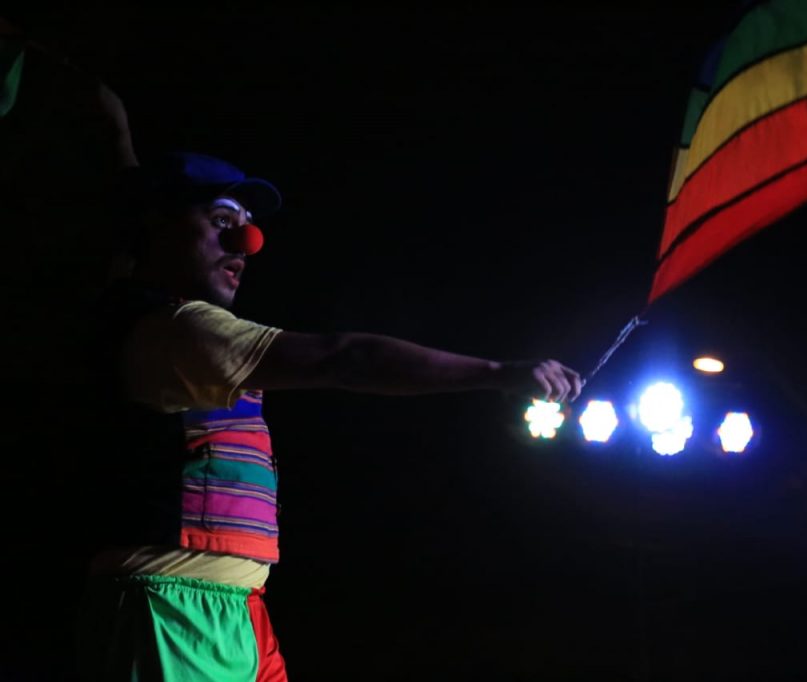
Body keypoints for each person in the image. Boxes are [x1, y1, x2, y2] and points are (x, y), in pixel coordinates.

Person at [76, 151, 582, 681]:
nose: (247, 243)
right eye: (222, 220)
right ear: (156, 223)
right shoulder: (176, 330)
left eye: (247, 224)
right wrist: (499, 372)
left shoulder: (158, 318)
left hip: (239, 604)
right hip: (166, 610)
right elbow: (345, 359)